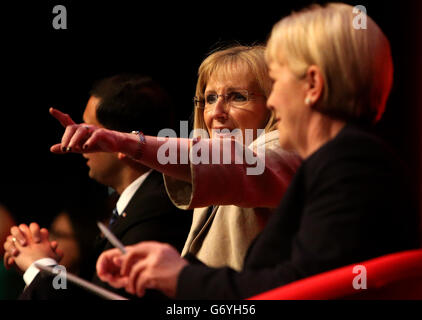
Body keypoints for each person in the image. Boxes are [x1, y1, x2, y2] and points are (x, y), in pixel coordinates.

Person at [94, 3, 420, 299]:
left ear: (313, 86)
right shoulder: (343, 161)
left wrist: (181, 277)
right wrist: (168, 270)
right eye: (209, 98)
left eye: (275, 83)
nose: (274, 102)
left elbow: (298, 290)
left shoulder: (351, 162)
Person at [43, 45, 301, 271]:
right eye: (210, 98)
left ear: (273, 106)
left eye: (238, 97)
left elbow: (241, 162)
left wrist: (125, 140)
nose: (217, 112)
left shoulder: (285, 149)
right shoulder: (214, 170)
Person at [3, 74, 192, 299]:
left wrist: (41, 267)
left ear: (122, 141)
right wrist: (48, 269)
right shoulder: (132, 206)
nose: (75, 139)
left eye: (88, 130)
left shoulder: (158, 211)